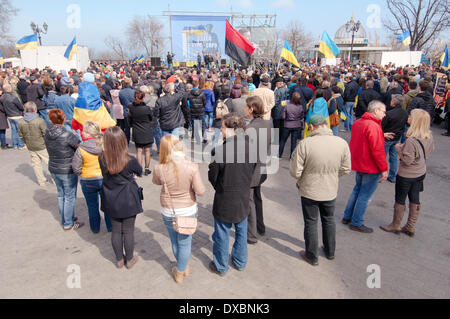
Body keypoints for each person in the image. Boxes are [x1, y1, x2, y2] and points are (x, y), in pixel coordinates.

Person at [290, 115, 351, 265]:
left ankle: (312, 255)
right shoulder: (341, 143)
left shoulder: (305, 144)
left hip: (309, 189)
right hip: (330, 189)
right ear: (326, 125)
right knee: (329, 219)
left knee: (311, 221)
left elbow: (295, 172)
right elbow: (346, 168)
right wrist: (333, 177)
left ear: (311, 127)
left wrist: (303, 179)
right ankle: (330, 251)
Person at [152, 134, 206, 283]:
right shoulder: (191, 166)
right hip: (188, 210)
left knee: (174, 241)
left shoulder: (159, 168)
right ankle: (181, 270)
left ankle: (181, 268)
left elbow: (156, 182)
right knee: (185, 242)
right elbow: (200, 191)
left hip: (168, 210)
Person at [208, 113, 256, 276]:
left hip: (225, 197)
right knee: (241, 230)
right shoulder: (252, 147)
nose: (220, 130)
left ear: (230, 129)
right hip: (242, 197)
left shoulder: (220, 150)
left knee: (222, 233)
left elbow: (212, 177)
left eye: (222, 127)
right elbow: (258, 172)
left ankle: (221, 266)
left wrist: (222, 187)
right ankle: (240, 261)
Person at [380, 109, 434, 237]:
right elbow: (430, 151)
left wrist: (399, 148)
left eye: (410, 116)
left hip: (407, 174)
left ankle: (396, 224)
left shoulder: (411, 141)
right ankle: (410, 226)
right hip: (420, 172)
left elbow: (407, 160)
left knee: (400, 198)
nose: (408, 117)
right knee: (415, 198)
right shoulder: (429, 136)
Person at [99, 126, 143, 269]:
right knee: (128, 230)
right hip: (128, 198)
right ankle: (129, 259)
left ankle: (119, 260)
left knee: (116, 230)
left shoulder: (102, 158)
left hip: (111, 198)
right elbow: (140, 171)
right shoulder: (129, 159)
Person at [342, 101, 388, 233]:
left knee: (357, 190)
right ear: (376, 111)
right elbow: (377, 150)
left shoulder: (359, 122)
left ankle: (347, 216)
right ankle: (356, 222)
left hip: (359, 163)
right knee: (365, 195)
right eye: (383, 111)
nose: (385, 115)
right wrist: (384, 169)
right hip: (370, 166)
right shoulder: (373, 126)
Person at [44, 109, 83, 231]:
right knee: (69, 196)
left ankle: (67, 218)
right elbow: (79, 145)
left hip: (54, 167)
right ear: (64, 119)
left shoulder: (47, 133)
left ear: (50, 120)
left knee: (61, 195)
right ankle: (68, 223)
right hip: (67, 169)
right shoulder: (67, 135)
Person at [72, 121, 112, 233]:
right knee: (107, 204)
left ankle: (95, 228)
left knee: (92, 206)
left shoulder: (81, 149)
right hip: (104, 178)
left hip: (88, 179)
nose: (82, 132)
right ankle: (110, 226)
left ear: (88, 133)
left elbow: (76, 167)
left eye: (84, 131)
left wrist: (82, 173)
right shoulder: (105, 145)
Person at [245, 96, 273, 244]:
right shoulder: (268, 123)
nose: (244, 109)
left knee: (250, 201)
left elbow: (247, 152)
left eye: (246, 106)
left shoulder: (251, 128)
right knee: (257, 198)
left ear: (252, 109)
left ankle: (251, 234)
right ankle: (260, 227)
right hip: (261, 166)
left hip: (252, 169)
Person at [18, 101, 50, 186]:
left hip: (30, 145)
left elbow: (21, 135)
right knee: (49, 162)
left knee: (36, 164)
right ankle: (54, 179)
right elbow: (45, 134)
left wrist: (26, 142)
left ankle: (41, 181)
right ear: (35, 109)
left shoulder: (21, 122)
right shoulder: (39, 121)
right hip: (42, 145)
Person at [382, 94, 409, 183]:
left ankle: (380, 175)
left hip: (387, 137)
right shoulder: (405, 113)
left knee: (382, 157)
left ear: (393, 102)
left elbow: (382, 126)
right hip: (397, 137)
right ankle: (392, 176)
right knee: (393, 157)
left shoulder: (389, 114)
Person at [128, 90, 153, 176]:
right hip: (147, 130)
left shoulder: (131, 107)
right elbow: (151, 119)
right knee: (147, 150)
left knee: (138, 151)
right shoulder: (147, 108)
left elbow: (129, 120)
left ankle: (139, 170)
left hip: (137, 130)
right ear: (143, 98)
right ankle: (146, 169)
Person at [278, 92, 304, 158]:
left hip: (287, 125)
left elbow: (283, 116)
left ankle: (279, 155)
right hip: (296, 125)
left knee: (283, 140)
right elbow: (302, 117)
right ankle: (291, 157)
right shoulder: (300, 107)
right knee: (294, 142)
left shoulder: (288, 106)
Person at [0, 83, 25, 149]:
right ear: (9, 89)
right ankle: (20, 144)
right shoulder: (13, 97)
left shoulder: (2, 97)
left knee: (14, 130)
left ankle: (15, 144)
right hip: (16, 114)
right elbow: (20, 106)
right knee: (19, 131)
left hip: (9, 115)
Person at [119, 78, 135, 144]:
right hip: (134, 110)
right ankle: (135, 139)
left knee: (127, 128)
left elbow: (121, 102)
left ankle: (127, 142)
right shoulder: (134, 91)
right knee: (135, 126)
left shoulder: (121, 92)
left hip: (126, 110)